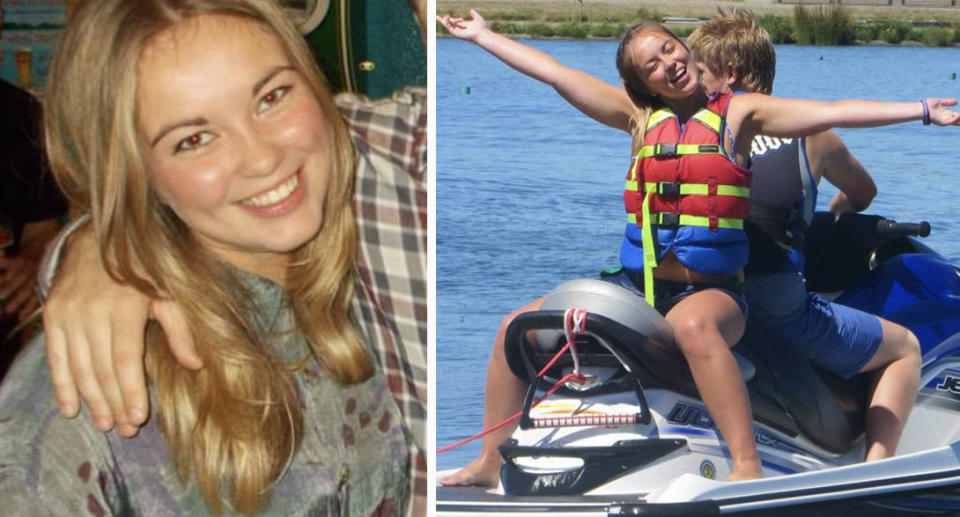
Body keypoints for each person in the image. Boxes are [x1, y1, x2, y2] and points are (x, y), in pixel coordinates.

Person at [436, 9, 952, 486]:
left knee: (695, 327)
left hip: (712, 291)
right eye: (651, 64)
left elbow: (830, 110)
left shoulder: (740, 114)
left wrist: (922, 110)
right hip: (639, 286)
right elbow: (554, 73)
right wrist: (482, 36)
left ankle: (745, 464)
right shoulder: (638, 119)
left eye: (670, 48)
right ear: (640, 83)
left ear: (687, 49)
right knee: (516, 325)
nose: (668, 63)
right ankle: (488, 462)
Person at [0, 0, 425, 514]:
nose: (262, 157)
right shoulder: (95, 374)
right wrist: (99, 244)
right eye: (194, 139)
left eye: (272, 97)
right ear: (135, 173)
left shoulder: (363, 220)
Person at [686, 9, 920, 465]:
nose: (694, 83)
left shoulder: (685, 133)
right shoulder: (813, 138)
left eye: (701, 72)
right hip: (776, 308)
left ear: (729, 75)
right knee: (905, 348)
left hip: (700, 297)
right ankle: (875, 471)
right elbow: (862, 193)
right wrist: (832, 214)